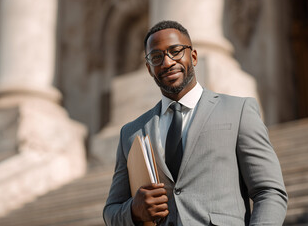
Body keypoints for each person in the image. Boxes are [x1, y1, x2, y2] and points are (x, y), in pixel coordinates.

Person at [103, 20, 287, 226]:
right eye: (157, 57)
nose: (167, 62)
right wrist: (133, 211)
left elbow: (269, 191)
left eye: (176, 51)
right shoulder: (130, 132)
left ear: (193, 56)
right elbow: (111, 211)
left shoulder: (238, 111)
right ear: (148, 68)